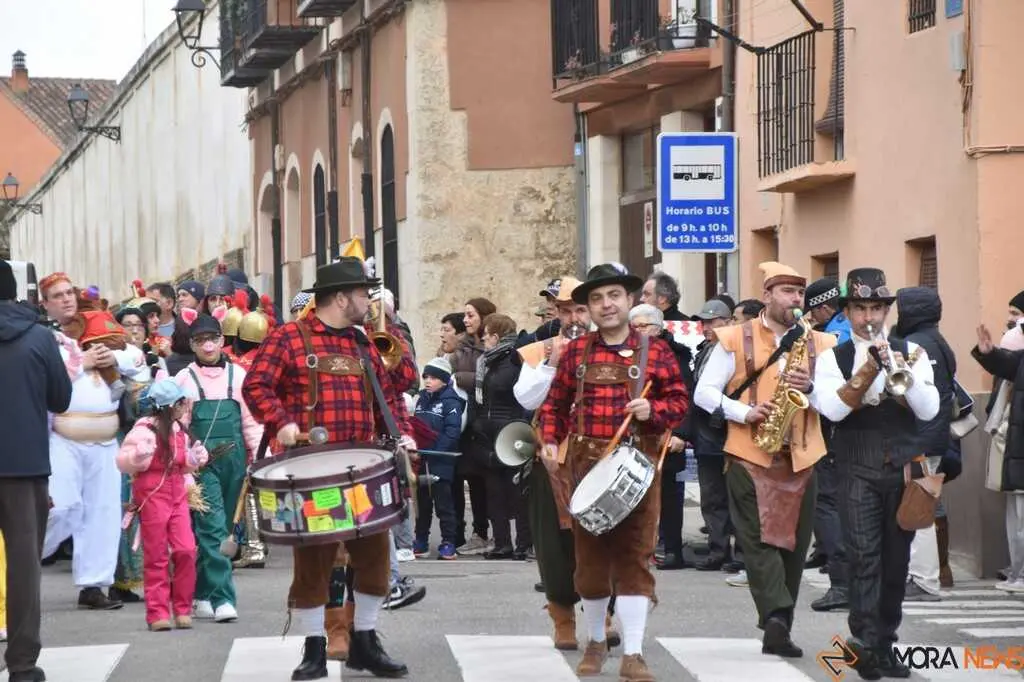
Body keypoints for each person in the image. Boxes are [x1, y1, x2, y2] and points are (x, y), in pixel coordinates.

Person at [242, 257, 416, 680]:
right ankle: (314, 649)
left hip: (363, 471)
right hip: (312, 472)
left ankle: (365, 643)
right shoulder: (289, 338)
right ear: (341, 297)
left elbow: (389, 399)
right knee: (314, 564)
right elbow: (256, 385)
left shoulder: (363, 343)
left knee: (374, 561)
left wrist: (403, 434)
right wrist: (280, 422)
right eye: (362, 294)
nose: (367, 301)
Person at [538, 263, 688, 681]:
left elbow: (679, 404)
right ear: (588, 307)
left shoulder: (654, 350)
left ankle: (634, 653)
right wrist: (551, 439)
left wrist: (652, 411)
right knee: (589, 561)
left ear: (629, 300)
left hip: (638, 461)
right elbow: (553, 405)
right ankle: (595, 642)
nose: (607, 305)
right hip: (586, 463)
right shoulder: (576, 352)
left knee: (635, 557)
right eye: (597, 299)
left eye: (614, 296)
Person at [694, 262, 836, 658]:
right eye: (787, 292)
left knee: (794, 543)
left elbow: (832, 404)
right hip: (748, 450)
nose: (795, 301)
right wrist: (743, 413)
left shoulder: (818, 342)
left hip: (803, 454)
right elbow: (704, 394)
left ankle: (780, 626)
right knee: (758, 541)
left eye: (799, 294)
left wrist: (810, 388)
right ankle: (775, 612)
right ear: (768, 294)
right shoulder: (732, 338)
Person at [813, 267, 939, 678]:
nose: (868, 317)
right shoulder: (834, 356)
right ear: (848, 312)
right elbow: (831, 410)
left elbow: (929, 410)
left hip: (900, 470)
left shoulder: (912, 353)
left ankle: (886, 641)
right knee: (864, 556)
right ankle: (864, 641)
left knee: (895, 561)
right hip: (855, 469)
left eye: (876, 308)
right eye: (860, 308)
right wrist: (867, 370)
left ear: (886, 311)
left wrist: (896, 370)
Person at [515, 276, 622, 651]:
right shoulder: (539, 350)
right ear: (555, 313)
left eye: (579, 308)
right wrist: (552, 364)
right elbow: (526, 399)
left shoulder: (613, 346)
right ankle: (562, 618)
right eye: (564, 309)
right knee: (553, 542)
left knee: (603, 538)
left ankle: (604, 612)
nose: (573, 316)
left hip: (601, 455)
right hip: (553, 460)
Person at [0, 261, 73, 681]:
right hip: (25, 466)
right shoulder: (39, 337)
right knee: (24, 566)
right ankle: (23, 664)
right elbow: (60, 398)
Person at [40, 273, 129, 610]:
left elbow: (138, 359)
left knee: (103, 514)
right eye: (58, 296)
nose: (66, 300)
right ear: (46, 303)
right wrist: (83, 362)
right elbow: (44, 377)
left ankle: (93, 586)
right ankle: (21, 559)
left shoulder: (100, 325)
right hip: (65, 439)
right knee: (62, 506)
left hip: (106, 440)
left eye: (69, 293)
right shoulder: (45, 337)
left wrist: (114, 359)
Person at [174, 311, 262, 623]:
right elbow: (177, 427)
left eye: (212, 339)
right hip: (202, 464)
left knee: (225, 528)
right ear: (192, 345)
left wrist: (258, 458)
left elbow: (251, 421)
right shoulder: (183, 380)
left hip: (235, 461)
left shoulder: (238, 376)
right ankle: (224, 598)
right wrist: (185, 464)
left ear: (222, 341)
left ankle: (201, 593)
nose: (208, 346)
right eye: (200, 341)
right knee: (211, 530)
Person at [116, 379, 209, 631]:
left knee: (186, 550)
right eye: (181, 402)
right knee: (156, 554)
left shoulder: (180, 429)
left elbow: (183, 463)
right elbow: (123, 462)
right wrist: (138, 456)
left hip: (177, 494)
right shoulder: (143, 430)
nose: (185, 406)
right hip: (151, 495)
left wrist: (193, 459)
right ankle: (157, 612)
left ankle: (182, 608)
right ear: (168, 405)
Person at [802, 278, 850, 612]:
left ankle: (842, 582)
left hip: (834, 428)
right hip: (856, 432)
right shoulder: (856, 329)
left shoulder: (833, 337)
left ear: (823, 307)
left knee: (827, 502)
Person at [412, 357, 465, 559]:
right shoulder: (422, 398)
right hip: (421, 459)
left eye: (433, 378)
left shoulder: (451, 402)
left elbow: (452, 432)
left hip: (441, 460)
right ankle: (421, 541)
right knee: (422, 505)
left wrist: (435, 450)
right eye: (426, 377)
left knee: (444, 504)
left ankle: (448, 541)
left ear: (443, 380)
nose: (428, 381)